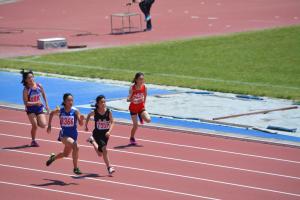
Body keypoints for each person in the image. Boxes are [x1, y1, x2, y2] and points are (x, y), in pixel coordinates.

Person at [46, 93, 84, 175]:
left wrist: (81, 120)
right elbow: (52, 113)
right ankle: (75, 168)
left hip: (73, 135)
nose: (71, 102)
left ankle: (53, 158)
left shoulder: (75, 111)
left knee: (65, 154)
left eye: (72, 100)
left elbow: (81, 124)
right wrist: (49, 125)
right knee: (76, 146)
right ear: (64, 101)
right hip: (64, 135)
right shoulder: (61, 110)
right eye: (69, 100)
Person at [85, 95, 115, 175]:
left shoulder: (109, 112)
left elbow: (112, 122)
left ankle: (91, 140)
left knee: (100, 154)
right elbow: (88, 116)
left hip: (105, 135)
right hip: (97, 134)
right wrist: (86, 125)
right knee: (105, 149)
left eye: (104, 102)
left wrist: (109, 132)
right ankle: (109, 167)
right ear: (97, 103)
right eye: (101, 102)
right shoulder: (95, 111)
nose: (103, 103)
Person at [21, 69, 49, 147]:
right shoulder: (26, 90)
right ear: (26, 80)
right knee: (35, 125)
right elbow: (26, 103)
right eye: (29, 78)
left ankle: (37, 120)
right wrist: (36, 103)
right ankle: (33, 141)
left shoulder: (39, 85)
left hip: (39, 108)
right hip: (30, 109)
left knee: (43, 125)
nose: (31, 79)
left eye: (32, 77)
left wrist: (46, 105)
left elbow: (44, 94)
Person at [127, 72, 151, 145]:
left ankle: (141, 116)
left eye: (143, 79)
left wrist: (143, 104)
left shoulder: (144, 87)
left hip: (141, 108)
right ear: (136, 80)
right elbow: (127, 99)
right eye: (140, 79)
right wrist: (133, 100)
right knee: (135, 125)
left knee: (148, 120)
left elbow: (145, 96)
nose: (142, 81)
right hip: (133, 109)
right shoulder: (132, 88)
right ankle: (132, 138)